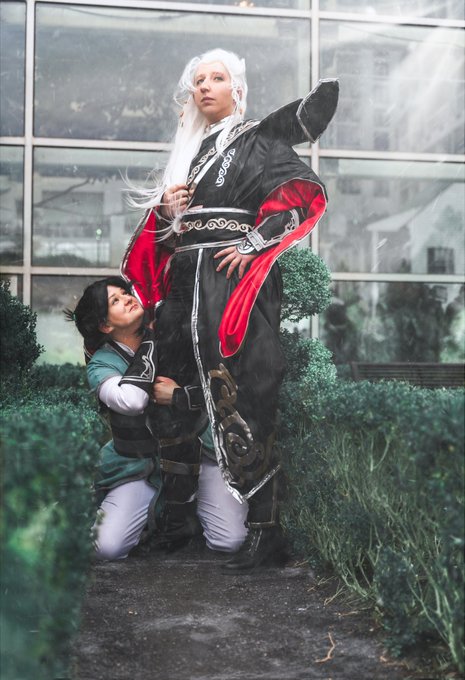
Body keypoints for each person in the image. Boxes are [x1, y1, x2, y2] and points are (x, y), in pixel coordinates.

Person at [123, 48, 338, 570]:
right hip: (182, 284)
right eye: (198, 80)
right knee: (171, 387)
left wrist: (252, 243)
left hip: (231, 282)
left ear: (237, 90)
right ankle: (176, 523)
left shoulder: (256, 137)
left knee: (248, 384)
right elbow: (164, 237)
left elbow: (295, 190)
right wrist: (169, 210)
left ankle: (266, 531)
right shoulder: (190, 151)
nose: (204, 87)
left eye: (216, 78)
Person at [65, 275, 248, 560]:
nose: (127, 298)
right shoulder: (102, 363)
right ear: (105, 325)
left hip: (198, 454)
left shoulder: (181, 335)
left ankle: (192, 513)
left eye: (125, 292)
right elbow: (132, 400)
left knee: (230, 540)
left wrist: (180, 396)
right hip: (142, 466)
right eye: (115, 300)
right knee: (107, 547)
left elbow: (226, 386)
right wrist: (152, 339)